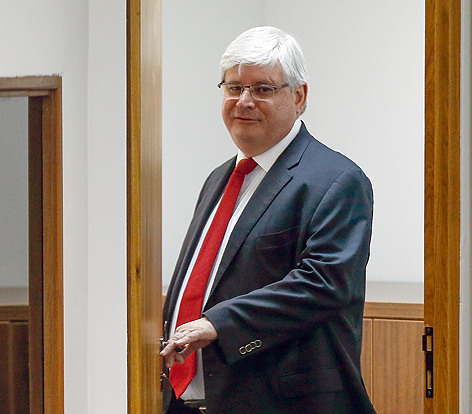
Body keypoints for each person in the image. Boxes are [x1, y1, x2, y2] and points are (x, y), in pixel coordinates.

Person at [161, 26, 376, 414]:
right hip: (190, 399)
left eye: (262, 89)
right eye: (233, 88)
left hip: (281, 401)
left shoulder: (336, 179)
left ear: (298, 96)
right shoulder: (220, 178)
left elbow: (324, 283)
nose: (243, 101)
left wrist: (218, 324)